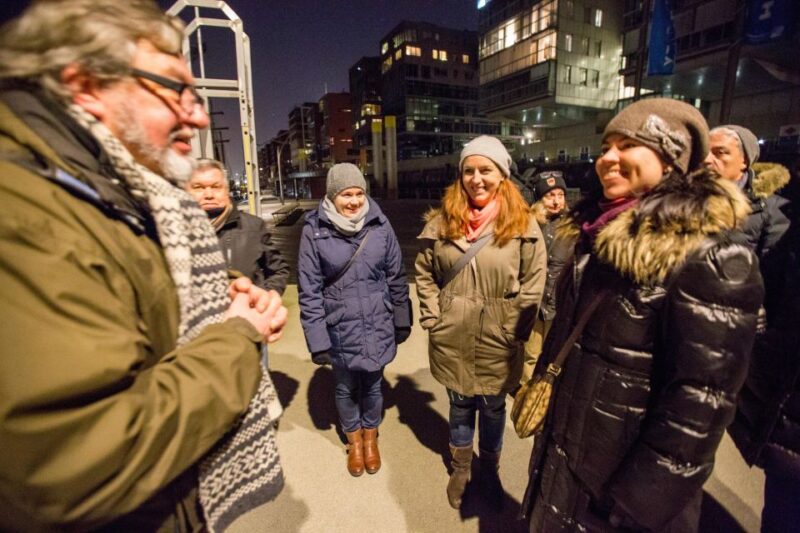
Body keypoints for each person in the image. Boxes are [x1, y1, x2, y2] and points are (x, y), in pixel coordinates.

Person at [0, 2, 287, 531]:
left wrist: (224, 288)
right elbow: (73, 463)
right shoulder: (26, 214)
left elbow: (125, 274)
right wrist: (239, 334)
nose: (198, 114)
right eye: (175, 88)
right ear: (85, 85)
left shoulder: (106, 193)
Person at [520, 99, 764, 531]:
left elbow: (700, 404)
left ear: (672, 160)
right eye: (606, 145)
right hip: (567, 468)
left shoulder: (712, 256)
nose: (607, 158)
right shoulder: (595, 237)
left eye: (628, 144)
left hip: (617, 504)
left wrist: (632, 507)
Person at [415, 135, 546, 509]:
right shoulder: (442, 222)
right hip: (452, 335)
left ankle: (489, 467)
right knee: (459, 407)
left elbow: (534, 284)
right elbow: (424, 272)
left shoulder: (523, 225)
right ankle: (460, 468)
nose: (476, 178)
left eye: (485, 170)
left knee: (491, 408)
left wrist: (516, 329)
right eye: (469, 170)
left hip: (498, 338)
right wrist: (432, 315)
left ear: (501, 175)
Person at [298, 163, 411, 477]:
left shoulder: (380, 224)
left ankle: (371, 436)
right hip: (339, 325)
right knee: (345, 386)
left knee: (373, 386)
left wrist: (402, 318)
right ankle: (354, 441)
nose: (354, 201)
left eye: (359, 193)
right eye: (346, 194)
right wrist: (317, 339)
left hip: (377, 322)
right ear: (332, 196)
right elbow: (309, 289)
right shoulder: (314, 231)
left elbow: (396, 276)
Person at [187, 158, 289, 295]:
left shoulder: (254, 226)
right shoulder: (171, 231)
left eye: (216, 186)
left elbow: (279, 271)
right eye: (199, 187)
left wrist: (263, 298)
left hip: (247, 314)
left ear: (227, 190)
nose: (209, 195)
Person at [521, 171, 571, 384]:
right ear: (540, 199)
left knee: (556, 354)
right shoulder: (527, 223)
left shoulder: (572, 225)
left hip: (559, 302)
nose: (556, 200)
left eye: (560, 195)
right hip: (534, 301)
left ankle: (544, 393)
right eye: (550, 195)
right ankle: (525, 391)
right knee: (530, 353)